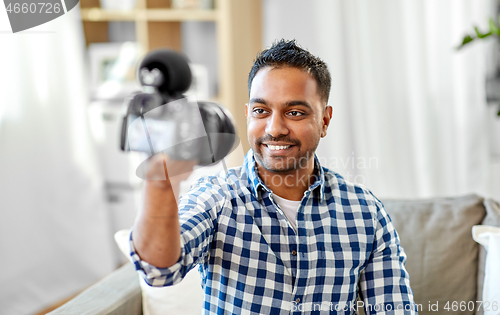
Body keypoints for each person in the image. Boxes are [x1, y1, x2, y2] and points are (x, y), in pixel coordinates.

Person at [130, 39, 418, 314]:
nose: (275, 128)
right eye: (261, 111)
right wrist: (160, 177)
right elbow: (159, 271)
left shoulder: (364, 210)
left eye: (294, 112)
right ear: (248, 115)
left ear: (325, 120)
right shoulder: (215, 196)